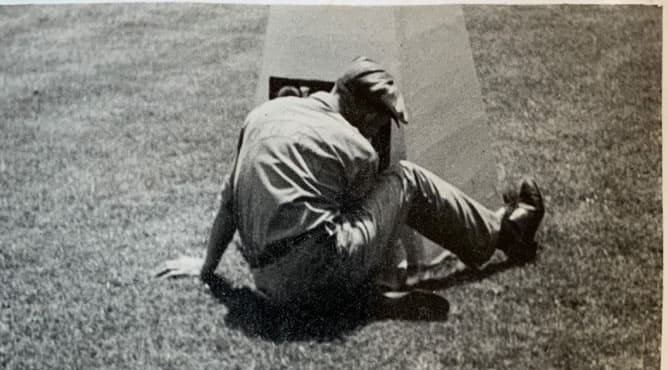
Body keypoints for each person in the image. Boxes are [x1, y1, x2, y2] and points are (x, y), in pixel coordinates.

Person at [155, 57, 544, 311]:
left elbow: (229, 201)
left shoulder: (263, 114)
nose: (377, 130)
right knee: (407, 178)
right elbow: (366, 225)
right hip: (314, 280)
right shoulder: (356, 147)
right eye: (379, 120)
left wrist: (207, 267)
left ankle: (370, 296)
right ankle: (505, 233)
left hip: (265, 281)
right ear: (359, 107)